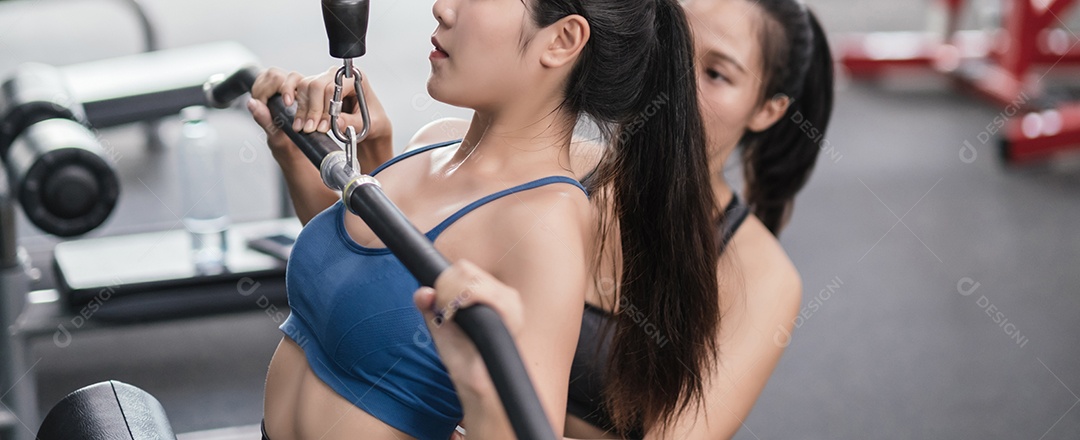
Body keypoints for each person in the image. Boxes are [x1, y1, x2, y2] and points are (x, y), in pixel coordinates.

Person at [246, 0, 718, 438]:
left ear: (561, 41)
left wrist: (478, 384)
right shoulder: (433, 142)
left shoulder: (543, 223)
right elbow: (355, 291)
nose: (443, 7)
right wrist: (293, 150)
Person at [417, 0, 835, 438]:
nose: (677, 80)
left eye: (717, 74)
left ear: (768, 109)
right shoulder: (552, 168)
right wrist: (373, 162)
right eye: (674, 46)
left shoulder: (763, 277)